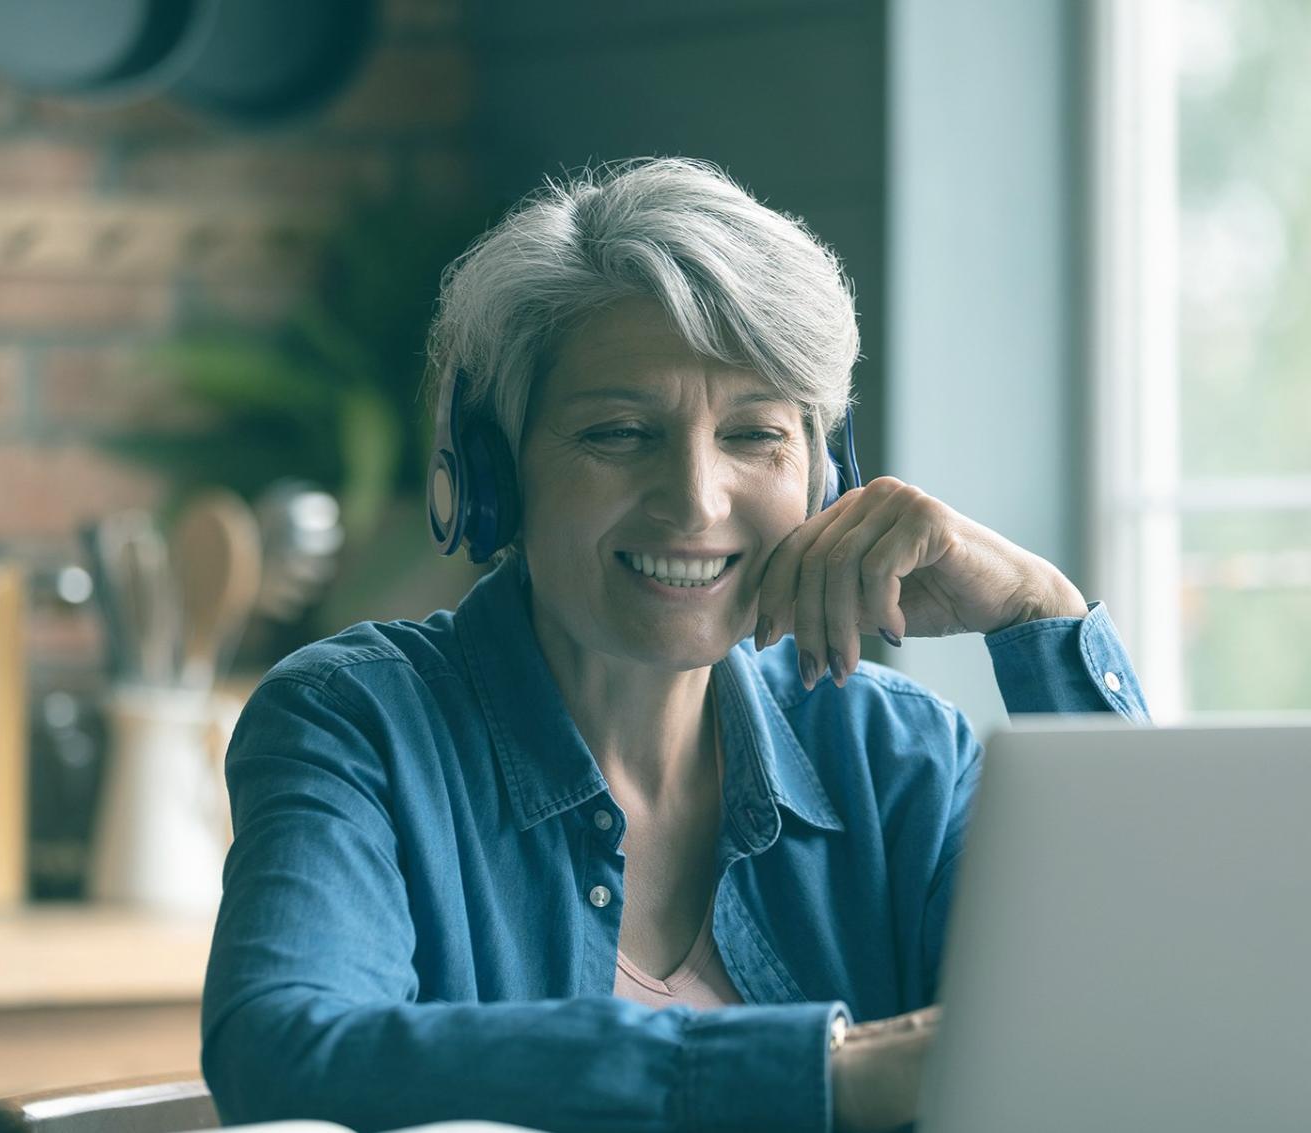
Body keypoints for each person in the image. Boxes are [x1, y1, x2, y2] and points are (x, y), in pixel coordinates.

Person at [201, 157, 1150, 1133]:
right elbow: (286, 1056)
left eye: (754, 435)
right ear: (492, 474)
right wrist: (819, 1073)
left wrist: (1041, 618)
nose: (695, 498)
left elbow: (1150, 1028)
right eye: (619, 432)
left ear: (827, 480)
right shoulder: (356, 721)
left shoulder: (897, 756)